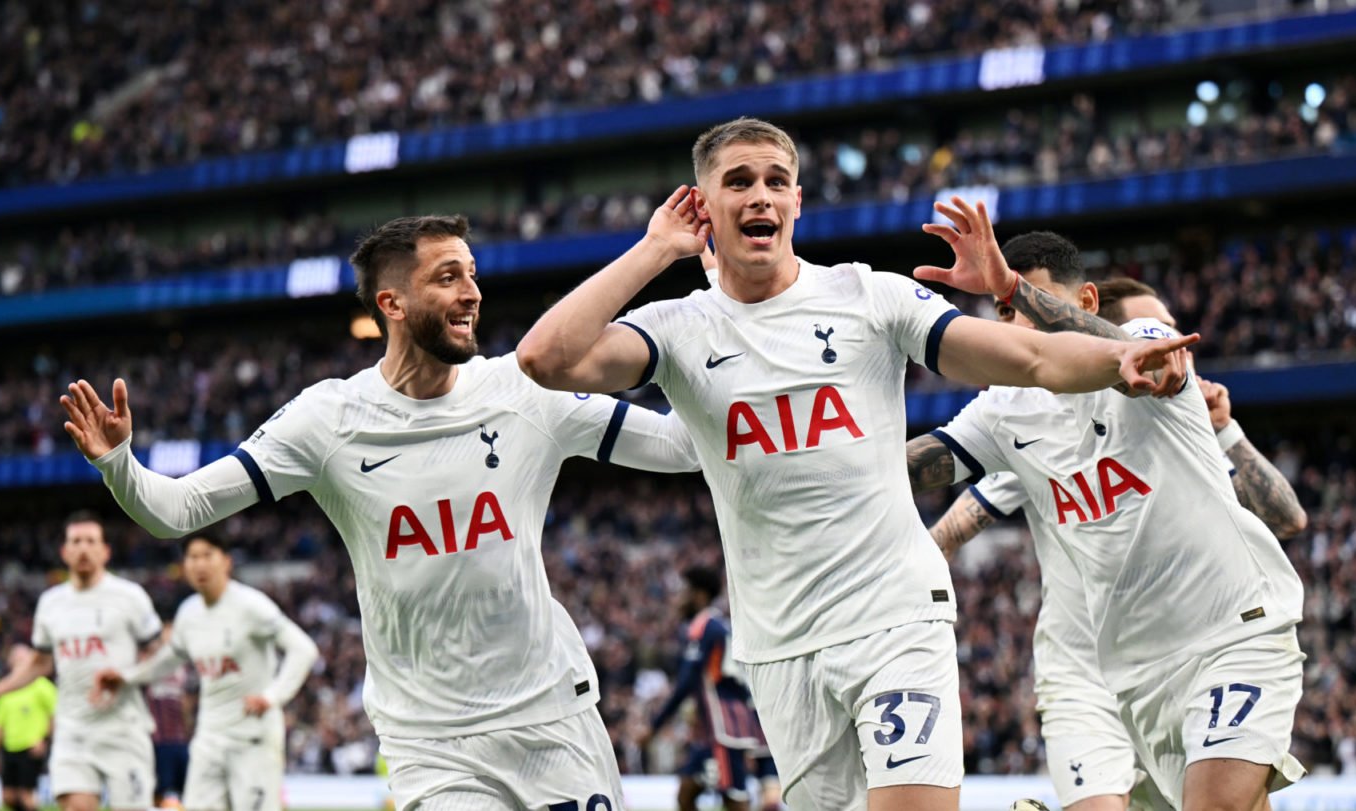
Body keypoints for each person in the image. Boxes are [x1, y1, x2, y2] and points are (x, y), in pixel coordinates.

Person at [515, 117, 1195, 809]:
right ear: (703, 204)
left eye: (777, 182)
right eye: (739, 182)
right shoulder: (678, 326)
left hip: (893, 616)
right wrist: (655, 249)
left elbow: (1029, 357)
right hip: (779, 643)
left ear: (798, 202)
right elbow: (546, 358)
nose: (761, 197)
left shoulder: (870, 296)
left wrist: (1116, 358)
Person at [58, 214, 700, 810]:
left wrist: (694, 350)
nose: (472, 292)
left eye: (472, 274)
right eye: (448, 277)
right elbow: (178, 509)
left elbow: (679, 447)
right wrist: (120, 465)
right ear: (391, 303)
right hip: (430, 740)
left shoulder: (525, 393)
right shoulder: (329, 419)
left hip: (550, 717)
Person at [907, 203, 1305, 811]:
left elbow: (1142, 361)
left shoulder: (1141, 341)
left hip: (1234, 632)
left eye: (1031, 305)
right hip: (1131, 673)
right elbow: (912, 465)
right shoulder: (1004, 410)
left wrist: (1008, 285)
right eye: (1005, 313)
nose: (1017, 327)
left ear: (1085, 302)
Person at [95, 534, 319, 811]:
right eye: (193, 557)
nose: (200, 564)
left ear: (226, 561)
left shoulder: (251, 605)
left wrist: (272, 697)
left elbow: (304, 649)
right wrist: (127, 677)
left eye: (207, 555)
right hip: (209, 736)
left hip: (253, 737)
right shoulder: (188, 613)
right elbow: (169, 659)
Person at [0, 511, 162, 811]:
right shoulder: (51, 603)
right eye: (76, 541)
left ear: (105, 550)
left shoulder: (130, 597)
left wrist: (127, 676)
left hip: (124, 727)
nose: (83, 548)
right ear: (64, 551)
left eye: (91, 541)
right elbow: (40, 662)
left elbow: (158, 652)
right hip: (74, 729)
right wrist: (0, 688)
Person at [648, 567, 780, 811]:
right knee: (687, 792)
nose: (677, 600)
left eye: (682, 592)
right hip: (724, 723)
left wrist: (654, 725)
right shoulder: (721, 625)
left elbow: (687, 682)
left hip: (725, 723)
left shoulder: (704, 625)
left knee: (733, 797)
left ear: (699, 595)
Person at [0, 644, 56, 811]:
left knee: (27, 797)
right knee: (8, 796)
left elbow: (55, 715)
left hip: (31, 748)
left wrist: (44, 740)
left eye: (22, 659)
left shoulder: (41, 685)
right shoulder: (5, 688)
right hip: (9, 747)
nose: (19, 662)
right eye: (16, 659)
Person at [143, 625, 195, 810]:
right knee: (158, 792)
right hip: (157, 740)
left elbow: (186, 700)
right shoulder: (149, 663)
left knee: (186, 792)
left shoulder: (183, 665)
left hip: (179, 740)